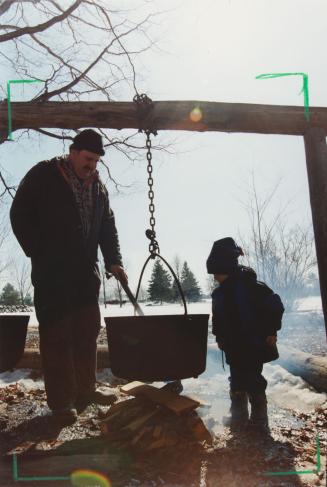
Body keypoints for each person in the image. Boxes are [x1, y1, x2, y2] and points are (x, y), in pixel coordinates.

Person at [10, 129, 128, 424]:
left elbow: (107, 226)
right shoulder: (44, 174)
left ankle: (86, 392)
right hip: (53, 276)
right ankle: (62, 404)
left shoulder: (98, 187)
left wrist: (113, 260)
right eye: (88, 158)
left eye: (96, 161)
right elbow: (19, 212)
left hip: (86, 276)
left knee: (86, 334)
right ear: (73, 152)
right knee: (57, 338)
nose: (92, 165)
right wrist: (39, 250)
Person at [206, 237, 284, 428]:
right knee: (237, 380)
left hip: (253, 344)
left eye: (217, 272)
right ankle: (238, 416)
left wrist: (272, 330)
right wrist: (219, 337)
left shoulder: (252, 287)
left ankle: (259, 419)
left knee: (253, 378)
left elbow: (275, 307)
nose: (214, 276)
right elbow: (217, 318)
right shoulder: (219, 294)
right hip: (233, 346)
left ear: (227, 268)